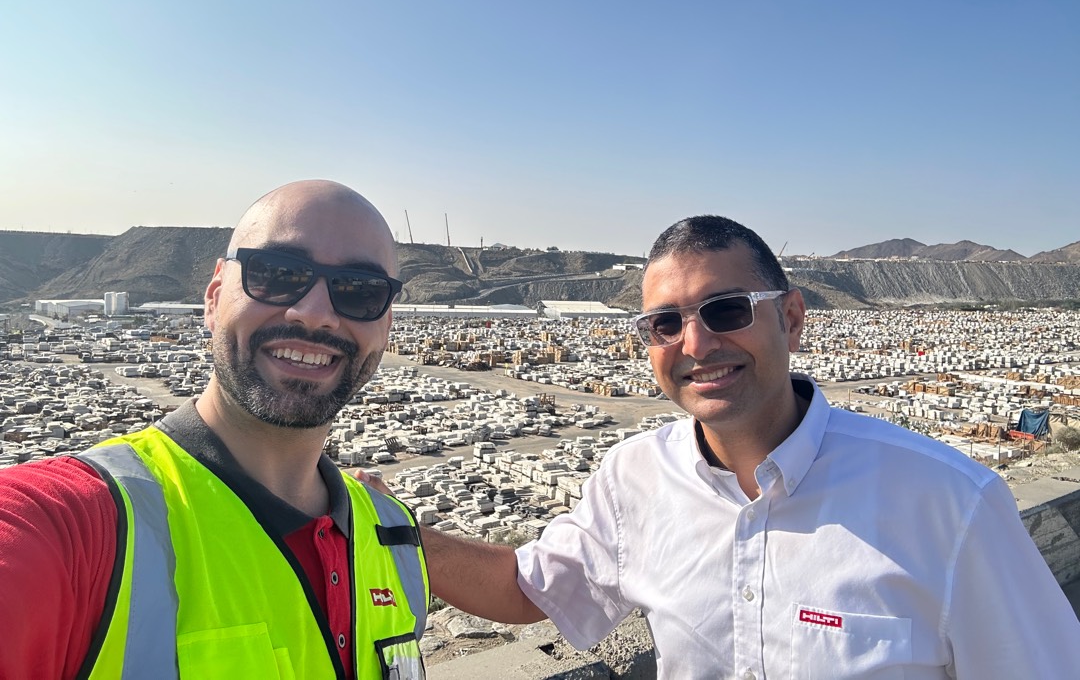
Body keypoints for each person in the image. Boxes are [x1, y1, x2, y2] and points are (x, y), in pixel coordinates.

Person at [417, 214, 1080, 679]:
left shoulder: (949, 501)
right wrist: (385, 528)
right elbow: (529, 590)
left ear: (791, 318)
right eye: (665, 323)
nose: (696, 344)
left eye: (727, 309)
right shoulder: (634, 478)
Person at [0, 180, 428, 680]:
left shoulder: (394, 535)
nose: (314, 314)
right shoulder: (81, 524)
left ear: (386, 324)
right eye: (278, 273)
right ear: (214, 297)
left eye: (360, 290)